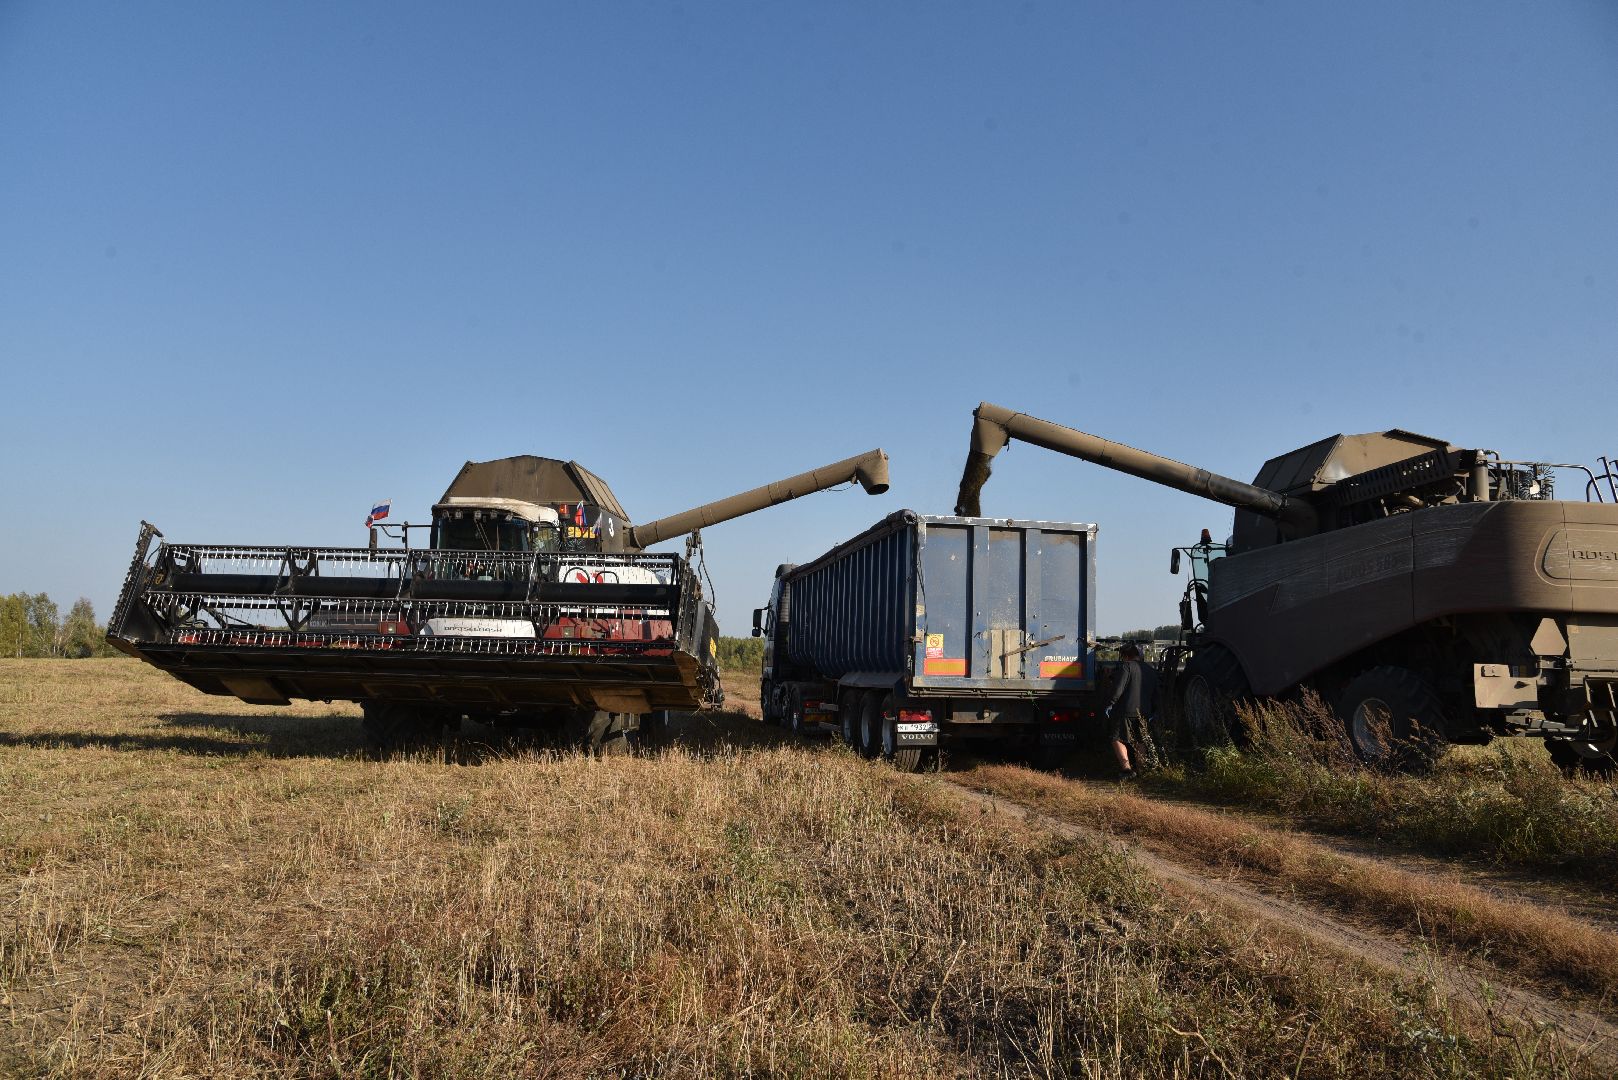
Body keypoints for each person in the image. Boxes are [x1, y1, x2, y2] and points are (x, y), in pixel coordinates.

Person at [1105, 643, 1158, 781]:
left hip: (1125, 710)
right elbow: (1156, 693)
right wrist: (1154, 710)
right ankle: (1141, 770)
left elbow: (1118, 689)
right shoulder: (1150, 669)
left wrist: (1110, 704)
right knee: (1141, 740)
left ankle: (1127, 769)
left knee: (1117, 738)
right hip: (1144, 712)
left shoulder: (1126, 667)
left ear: (1125, 656)